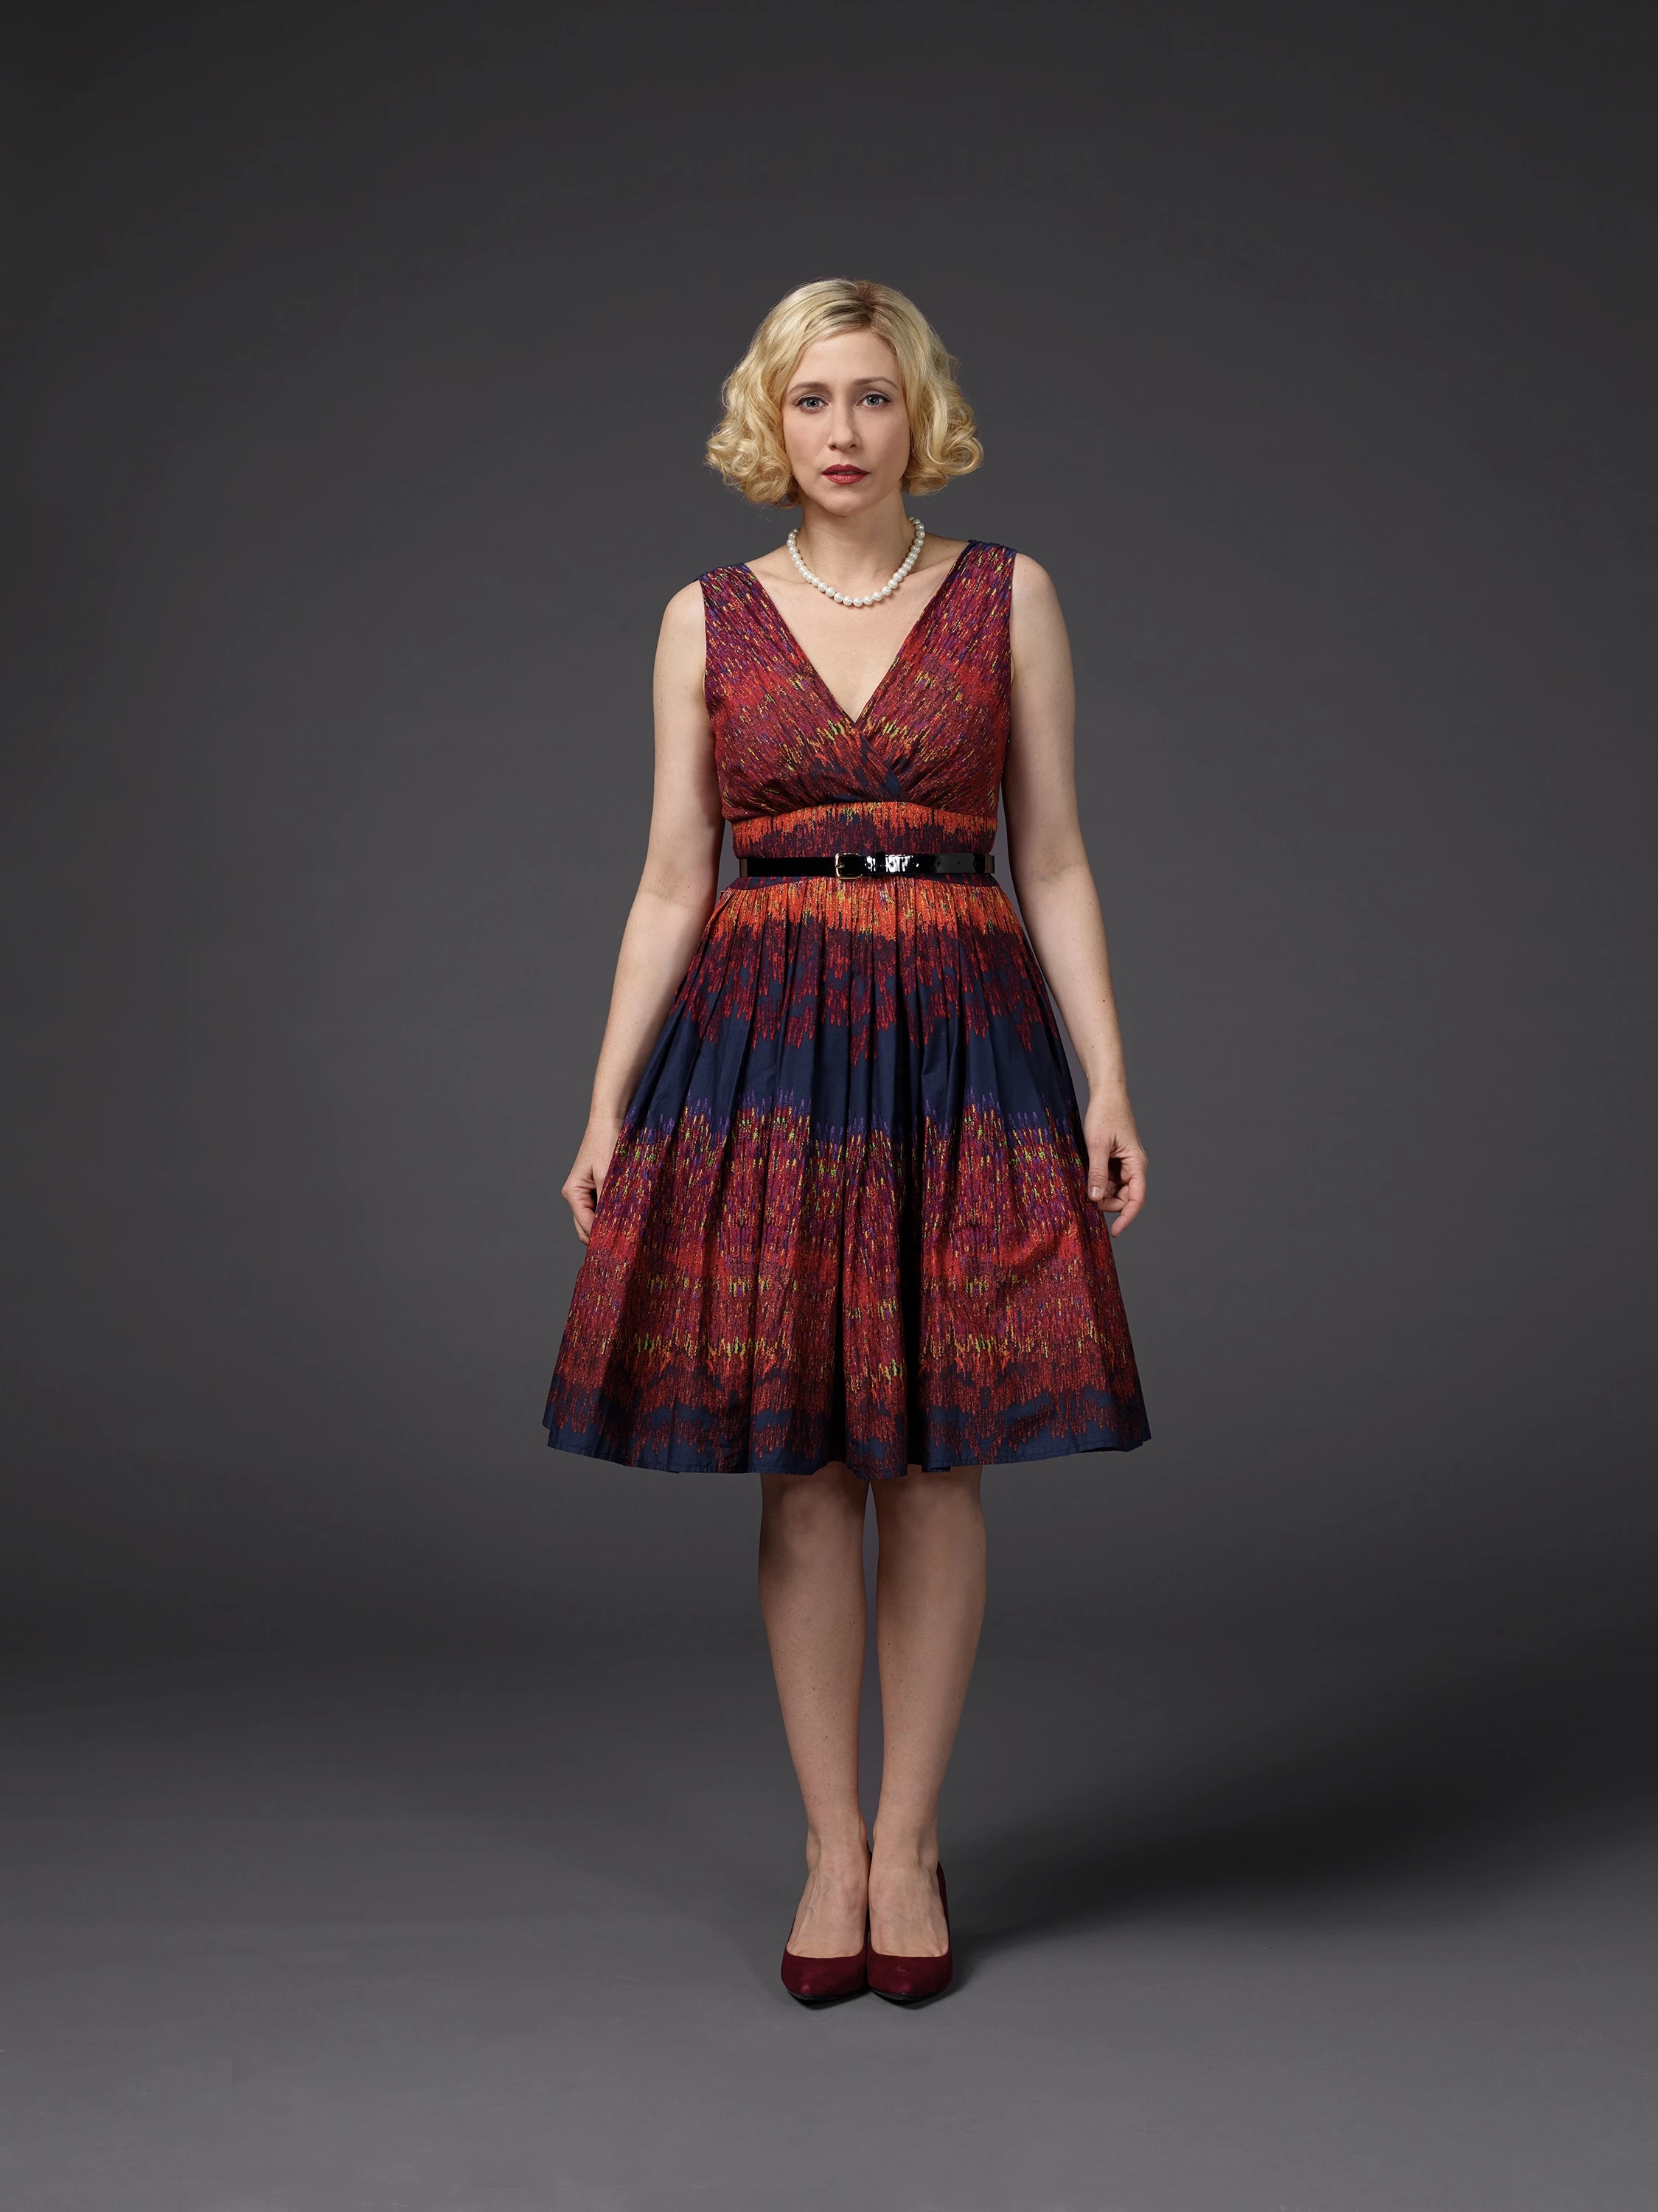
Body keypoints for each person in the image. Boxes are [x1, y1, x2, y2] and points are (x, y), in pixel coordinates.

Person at [543, 279, 1149, 2005]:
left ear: (918, 415)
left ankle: (906, 1843)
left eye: (872, 397)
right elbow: (671, 879)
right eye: (810, 398)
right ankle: (827, 1845)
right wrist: (603, 1097)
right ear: (768, 418)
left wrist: (1107, 1079)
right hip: (767, 1054)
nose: (841, 431)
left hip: (959, 1040)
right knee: (803, 1465)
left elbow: (1054, 857)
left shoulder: (1009, 596)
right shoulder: (703, 619)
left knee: (938, 1459)